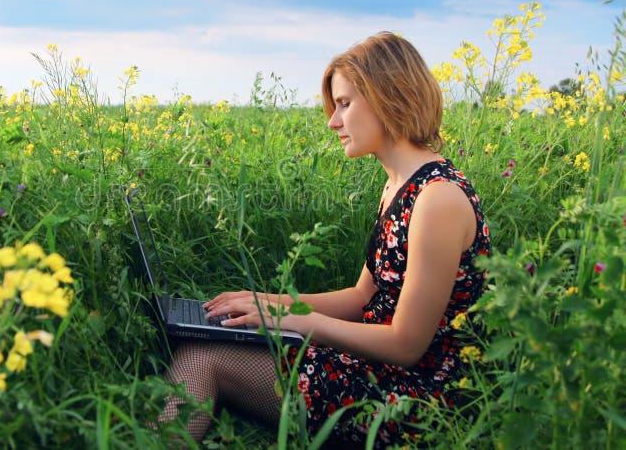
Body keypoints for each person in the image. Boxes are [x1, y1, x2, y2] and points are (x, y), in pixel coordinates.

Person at [160, 32, 490, 446]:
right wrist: (270, 303)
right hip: (373, 367)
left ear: (389, 95)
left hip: (413, 398)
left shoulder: (437, 198)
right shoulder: (399, 184)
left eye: (345, 104)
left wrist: (294, 322)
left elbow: (407, 344)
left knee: (201, 358)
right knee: (201, 340)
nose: (333, 121)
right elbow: (362, 297)